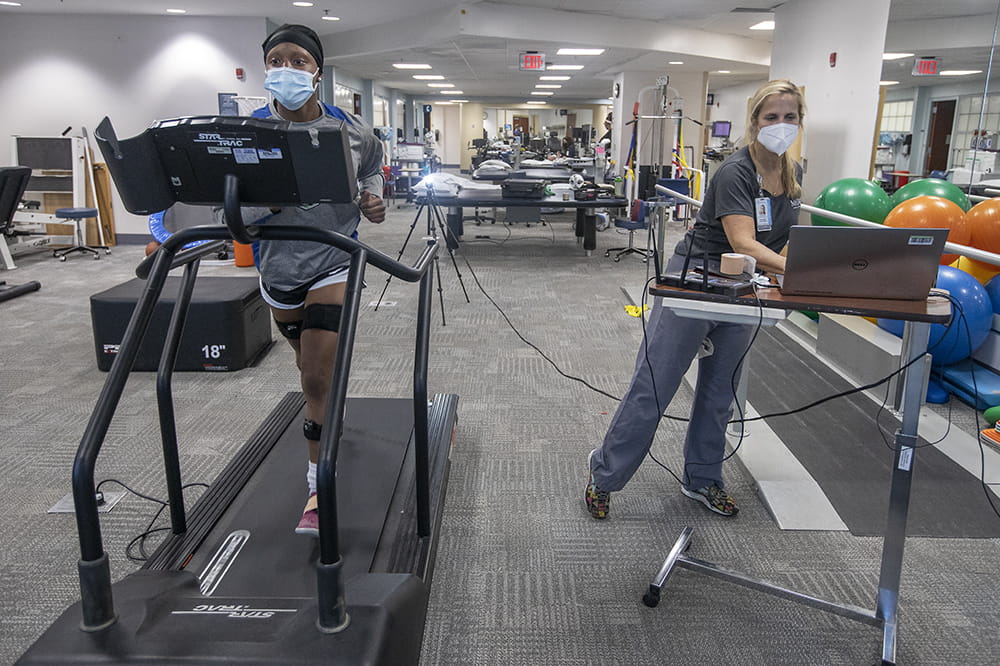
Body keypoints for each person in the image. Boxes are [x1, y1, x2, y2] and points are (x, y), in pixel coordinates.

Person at [586, 79, 805, 519]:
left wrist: (800, 268)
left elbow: (776, 243)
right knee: (654, 386)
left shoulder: (791, 174)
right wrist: (802, 270)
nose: (781, 125)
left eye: (790, 117)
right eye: (772, 117)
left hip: (744, 288)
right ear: (754, 121)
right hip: (694, 281)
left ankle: (703, 479)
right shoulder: (735, 172)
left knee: (720, 392)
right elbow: (743, 241)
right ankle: (605, 476)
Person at [246, 24, 387, 536]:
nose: (287, 69)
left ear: (316, 71)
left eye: (299, 60)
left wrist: (372, 198)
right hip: (278, 265)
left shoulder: (350, 130)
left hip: (336, 256)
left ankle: (317, 487)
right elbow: (230, 206)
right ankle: (328, 415)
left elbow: (372, 167)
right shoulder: (247, 133)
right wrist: (272, 198)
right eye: (277, 60)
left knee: (316, 376)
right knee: (307, 365)